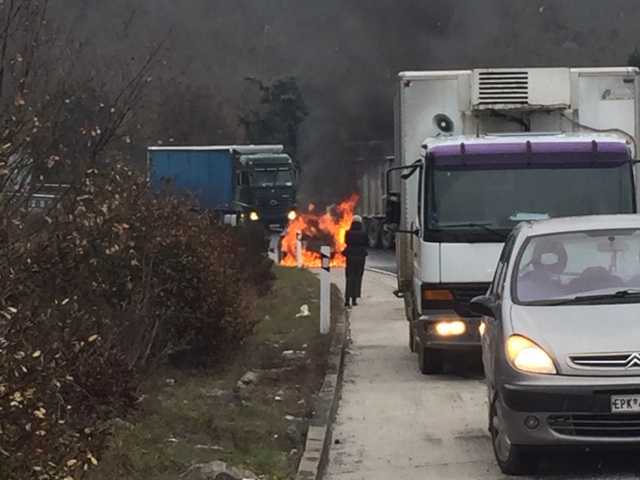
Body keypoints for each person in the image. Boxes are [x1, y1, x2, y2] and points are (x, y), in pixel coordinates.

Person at [343, 215, 368, 307]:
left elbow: (346, 242)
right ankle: (354, 299)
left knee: (349, 277)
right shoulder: (364, 233)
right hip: (360, 256)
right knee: (358, 277)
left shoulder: (348, 232)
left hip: (350, 256)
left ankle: (347, 299)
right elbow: (366, 243)